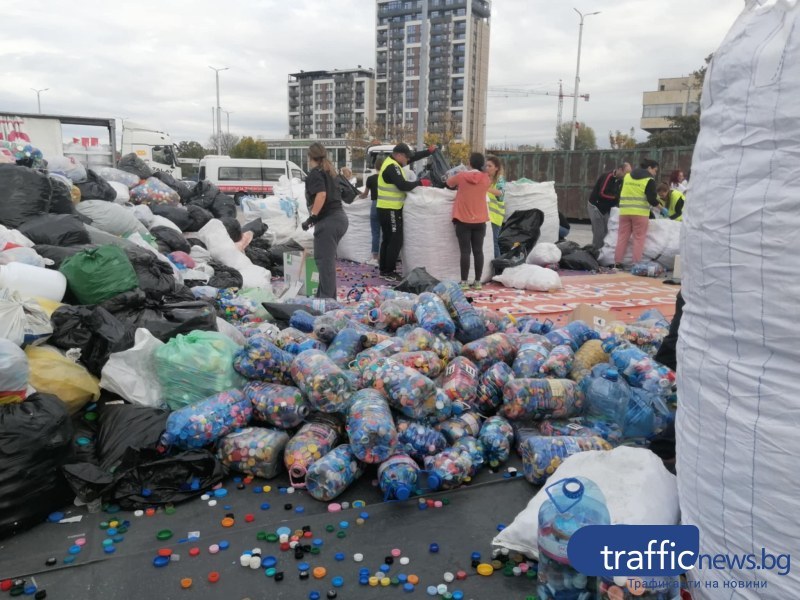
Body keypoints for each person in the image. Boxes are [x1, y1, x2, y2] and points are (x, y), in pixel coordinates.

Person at [376, 142, 436, 281]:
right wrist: (420, 183)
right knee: (395, 240)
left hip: (385, 207)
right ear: (399, 155)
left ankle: (384, 270)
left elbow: (413, 157)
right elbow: (403, 185)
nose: (408, 160)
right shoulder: (392, 167)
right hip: (390, 208)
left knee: (387, 239)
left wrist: (428, 152)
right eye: (406, 157)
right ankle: (389, 271)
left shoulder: (392, 162)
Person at [301, 142, 349, 298]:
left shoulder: (316, 173)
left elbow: (321, 195)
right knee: (324, 261)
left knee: (324, 263)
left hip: (329, 222)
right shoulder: (330, 171)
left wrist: (312, 217)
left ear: (310, 156)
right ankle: (322, 295)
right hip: (339, 219)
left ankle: (327, 301)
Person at [446, 152, 491, 290]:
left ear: (469, 163)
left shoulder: (462, 176)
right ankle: (478, 282)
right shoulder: (486, 179)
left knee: (465, 252)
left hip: (463, 219)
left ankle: (464, 282)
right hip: (480, 221)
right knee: (478, 251)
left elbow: (448, 183)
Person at [613, 158, 660, 268]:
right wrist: (662, 209)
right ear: (649, 168)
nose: (655, 173)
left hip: (624, 212)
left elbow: (619, 193)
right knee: (639, 238)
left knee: (622, 237)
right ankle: (636, 264)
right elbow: (652, 200)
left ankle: (617, 263)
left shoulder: (627, 176)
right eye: (655, 170)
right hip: (640, 213)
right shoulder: (649, 180)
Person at [587, 163, 631, 251]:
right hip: (596, 207)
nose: (626, 176)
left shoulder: (621, 180)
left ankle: (603, 252)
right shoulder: (608, 176)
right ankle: (596, 253)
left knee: (608, 231)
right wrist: (616, 198)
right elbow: (602, 193)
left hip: (607, 209)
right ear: (620, 169)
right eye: (626, 174)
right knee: (599, 233)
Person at [358, 156, 384, 266]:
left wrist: (358, 196)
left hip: (374, 205)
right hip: (386, 205)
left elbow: (365, 194)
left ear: (375, 167)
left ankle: (374, 258)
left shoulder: (371, 179)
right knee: (385, 233)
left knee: (375, 233)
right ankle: (384, 257)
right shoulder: (387, 178)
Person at [485, 155, 506, 258]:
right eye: (486, 166)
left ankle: (498, 266)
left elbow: (500, 193)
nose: (487, 168)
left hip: (495, 216)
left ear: (496, 167)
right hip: (486, 215)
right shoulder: (485, 178)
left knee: (493, 242)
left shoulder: (499, 180)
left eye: (490, 166)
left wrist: (485, 189)